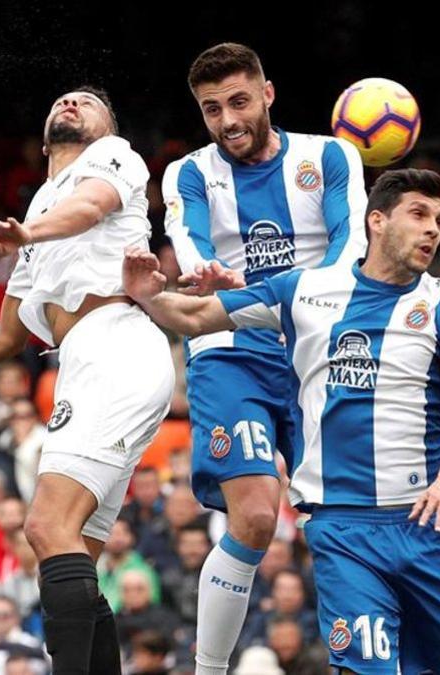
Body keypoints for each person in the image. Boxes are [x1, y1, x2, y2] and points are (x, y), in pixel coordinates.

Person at [123, 168, 440, 673]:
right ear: (377, 221)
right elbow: (197, 317)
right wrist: (147, 295)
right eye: (419, 214)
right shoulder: (304, 290)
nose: (433, 229)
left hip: (425, 524)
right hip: (342, 529)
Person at [161, 42, 366, 675]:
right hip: (231, 350)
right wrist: (212, 280)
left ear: (268, 94)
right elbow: (192, 251)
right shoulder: (188, 173)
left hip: (316, 352)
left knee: (340, 526)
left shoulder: (330, 156)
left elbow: (349, 244)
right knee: (253, 515)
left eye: (240, 102)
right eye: (212, 108)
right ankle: (209, 669)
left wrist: (275, 297)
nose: (227, 120)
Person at [0, 86, 175, 674]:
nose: (70, 104)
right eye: (60, 102)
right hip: (82, 360)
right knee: (72, 554)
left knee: (44, 524)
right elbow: (6, 338)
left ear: (107, 127)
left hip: (117, 342)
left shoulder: (112, 158)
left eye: (86, 102)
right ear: (44, 132)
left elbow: (90, 209)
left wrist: (28, 233)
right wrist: (29, 235)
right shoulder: (39, 214)